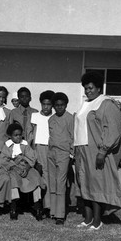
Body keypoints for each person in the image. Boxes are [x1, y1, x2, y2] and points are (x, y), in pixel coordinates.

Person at [74, 71, 121, 230]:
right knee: (84, 183)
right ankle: (87, 219)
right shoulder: (85, 104)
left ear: (99, 88)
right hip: (81, 148)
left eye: (90, 88)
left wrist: (103, 151)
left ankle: (97, 220)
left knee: (96, 185)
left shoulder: (106, 104)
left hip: (96, 150)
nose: (88, 91)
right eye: (85, 88)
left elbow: (113, 129)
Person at [3, 123, 44, 221]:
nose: (18, 137)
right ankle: (14, 206)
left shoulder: (25, 145)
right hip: (14, 168)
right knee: (13, 179)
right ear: (10, 136)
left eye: (19, 135)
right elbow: (4, 160)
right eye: (15, 135)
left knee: (35, 177)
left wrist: (28, 167)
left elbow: (32, 158)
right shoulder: (7, 146)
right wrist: (15, 167)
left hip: (26, 167)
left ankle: (37, 205)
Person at [47, 92, 74, 225]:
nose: (59, 108)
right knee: (52, 181)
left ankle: (60, 214)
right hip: (51, 152)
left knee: (61, 182)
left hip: (63, 154)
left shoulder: (70, 119)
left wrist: (72, 153)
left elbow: (73, 137)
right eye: (56, 105)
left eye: (62, 105)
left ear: (66, 105)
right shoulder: (50, 119)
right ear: (53, 106)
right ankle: (53, 210)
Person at [30, 90, 55, 215]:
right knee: (40, 176)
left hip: (51, 149)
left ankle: (49, 206)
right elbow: (32, 135)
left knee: (50, 177)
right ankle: (39, 204)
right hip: (38, 148)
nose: (46, 107)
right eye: (44, 104)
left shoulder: (54, 118)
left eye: (49, 104)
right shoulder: (35, 116)